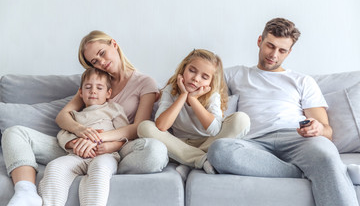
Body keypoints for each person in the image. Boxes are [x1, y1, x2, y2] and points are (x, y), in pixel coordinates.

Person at [1, 30, 168, 206]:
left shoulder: (144, 82)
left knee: (155, 151)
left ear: (114, 44)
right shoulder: (94, 82)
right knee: (14, 132)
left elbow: (139, 128)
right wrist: (81, 133)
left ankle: (106, 168)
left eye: (102, 53)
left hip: (117, 147)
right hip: (76, 147)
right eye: (94, 61)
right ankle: (26, 192)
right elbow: (63, 117)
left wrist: (99, 140)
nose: (101, 62)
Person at [207, 18, 359, 206]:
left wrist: (318, 129)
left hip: (297, 139)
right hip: (254, 143)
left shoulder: (303, 81)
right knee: (219, 150)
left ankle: (320, 167)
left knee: (326, 155)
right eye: (270, 46)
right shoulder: (237, 74)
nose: (274, 55)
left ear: (289, 52)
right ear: (259, 41)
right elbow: (202, 74)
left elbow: (327, 131)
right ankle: (302, 171)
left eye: (282, 50)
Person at [138, 49, 250, 179]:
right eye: (192, 70)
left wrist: (193, 99)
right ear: (183, 69)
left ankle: (189, 162)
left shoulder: (212, 95)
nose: (196, 79)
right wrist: (184, 95)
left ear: (211, 82)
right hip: (178, 145)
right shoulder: (171, 90)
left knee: (242, 119)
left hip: (208, 144)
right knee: (144, 127)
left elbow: (214, 130)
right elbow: (162, 126)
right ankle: (201, 160)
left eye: (204, 77)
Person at [38, 68, 130, 205]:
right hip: (77, 156)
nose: (93, 91)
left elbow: (125, 135)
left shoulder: (114, 109)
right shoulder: (75, 115)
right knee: (55, 167)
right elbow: (63, 134)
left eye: (99, 88)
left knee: (99, 169)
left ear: (108, 93)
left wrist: (110, 146)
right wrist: (74, 144)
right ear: (80, 92)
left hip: (105, 155)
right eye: (88, 87)